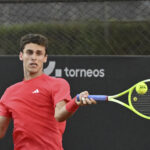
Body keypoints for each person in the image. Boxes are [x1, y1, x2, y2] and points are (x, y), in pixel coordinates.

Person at [0, 33, 96, 150]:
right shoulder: (9, 92)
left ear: (45, 58)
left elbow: (59, 115)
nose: (33, 57)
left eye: (39, 53)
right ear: (21, 56)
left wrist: (75, 102)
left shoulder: (57, 84)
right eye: (29, 52)